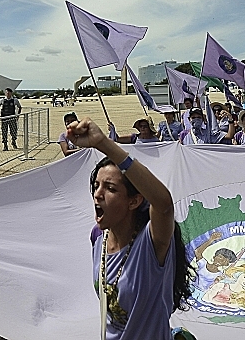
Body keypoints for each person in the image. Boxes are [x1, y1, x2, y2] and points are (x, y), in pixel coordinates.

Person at [66, 117, 192, 339]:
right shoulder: (98, 237)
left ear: (134, 201)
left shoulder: (152, 244)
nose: (98, 193)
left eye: (110, 188)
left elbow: (163, 205)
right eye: (96, 185)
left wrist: (104, 143)